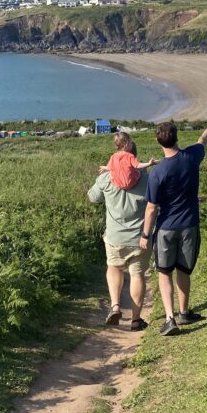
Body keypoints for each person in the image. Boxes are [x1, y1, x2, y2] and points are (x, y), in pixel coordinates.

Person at [141, 122, 207, 336]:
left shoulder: (158, 172)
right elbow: (201, 143)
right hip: (189, 225)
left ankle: (170, 318)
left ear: (158, 140)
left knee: (164, 272)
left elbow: (151, 208)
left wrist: (145, 234)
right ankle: (184, 312)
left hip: (165, 228)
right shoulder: (192, 157)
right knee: (183, 269)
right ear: (176, 137)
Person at [88, 138, 152, 331]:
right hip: (139, 239)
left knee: (114, 268)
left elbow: (92, 198)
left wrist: (107, 174)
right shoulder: (145, 179)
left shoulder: (107, 178)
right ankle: (135, 319)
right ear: (135, 157)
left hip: (115, 238)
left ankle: (115, 305)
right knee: (137, 275)